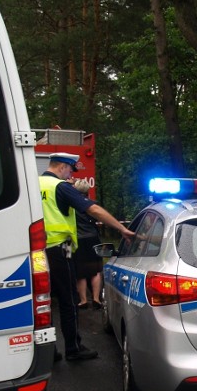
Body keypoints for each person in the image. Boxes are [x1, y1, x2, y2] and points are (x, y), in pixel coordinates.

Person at [39, 152, 134, 361]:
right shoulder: (60, 187)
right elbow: (93, 209)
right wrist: (121, 229)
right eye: (71, 169)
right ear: (63, 166)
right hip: (58, 249)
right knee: (68, 301)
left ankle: (48, 350)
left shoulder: (34, 184)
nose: (71, 175)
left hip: (36, 252)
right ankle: (73, 348)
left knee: (42, 302)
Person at [72, 179, 104, 311]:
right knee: (95, 271)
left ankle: (83, 301)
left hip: (79, 240)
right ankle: (96, 299)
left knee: (81, 273)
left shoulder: (72, 206)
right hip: (93, 240)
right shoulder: (93, 205)